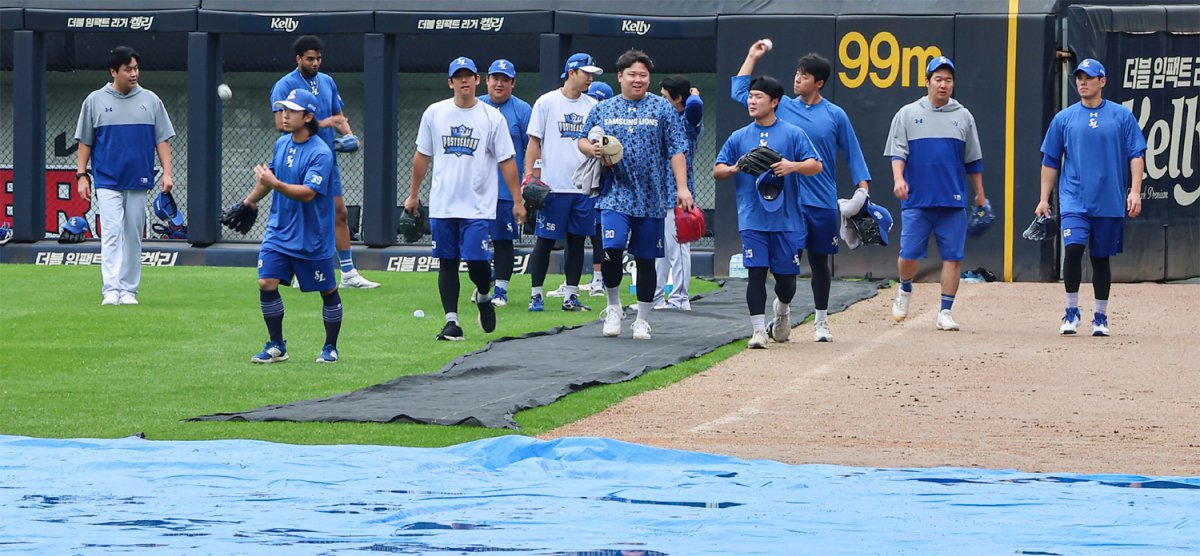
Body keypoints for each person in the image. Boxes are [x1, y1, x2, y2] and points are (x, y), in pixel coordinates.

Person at [734, 41, 873, 342]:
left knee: (821, 261)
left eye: (804, 75)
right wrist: (752, 56)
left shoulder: (835, 115)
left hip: (822, 200)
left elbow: (853, 152)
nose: (797, 78)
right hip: (790, 204)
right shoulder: (781, 105)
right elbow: (740, 91)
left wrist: (864, 187)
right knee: (788, 268)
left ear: (818, 82)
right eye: (797, 73)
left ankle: (821, 322)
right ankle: (782, 312)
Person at [578, 49, 693, 340]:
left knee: (645, 259)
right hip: (614, 194)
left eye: (643, 75)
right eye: (632, 74)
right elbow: (582, 137)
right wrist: (590, 149)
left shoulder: (662, 108)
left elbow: (678, 149)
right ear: (620, 77)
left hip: (652, 198)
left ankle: (642, 319)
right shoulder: (604, 108)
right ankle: (613, 306)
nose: (638, 80)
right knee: (612, 250)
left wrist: (682, 188)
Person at [406, 57, 524, 341]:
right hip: (444, 203)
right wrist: (413, 194)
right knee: (446, 262)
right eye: (458, 76)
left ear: (476, 80)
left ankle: (484, 296)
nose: (463, 80)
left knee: (477, 263)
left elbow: (507, 160)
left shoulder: (491, 117)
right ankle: (452, 322)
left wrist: (518, 200)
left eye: (468, 75)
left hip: (478, 205)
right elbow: (423, 155)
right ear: (450, 82)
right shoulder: (435, 113)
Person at [1036, 58, 1145, 336]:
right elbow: (1050, 160)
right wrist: (1044, 198)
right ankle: (1071, 311)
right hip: (1074, 199)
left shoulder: (1122, 116)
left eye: (1088, 77)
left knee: (1100, 258)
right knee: (1072, 249)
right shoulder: (1064, 118)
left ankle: (1100, 316)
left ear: (1102, 81)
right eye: (1079, 78)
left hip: (1108, 199)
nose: (1082, 82)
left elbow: (1136, 154)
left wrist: (1134, 191)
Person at [714, 76, 823, 348]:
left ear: (774, 102)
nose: (752, 101)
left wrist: (792, 166)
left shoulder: (793, 133)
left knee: (786, 281)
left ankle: (782, 312)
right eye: (750, 96)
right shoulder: (739, 136)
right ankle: (759, 331)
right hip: (752, 218)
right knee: (756, 273)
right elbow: (718, 170)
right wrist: (735, 168)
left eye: (759, 96)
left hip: (787, 220)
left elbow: (816, 165)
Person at [236, 89, 341, 363]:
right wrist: (248, 202)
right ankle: (276, 345)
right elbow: (269, 179)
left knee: (327, 289)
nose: (284, 114)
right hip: (279, 232)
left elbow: (307, 192)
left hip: (311, 237)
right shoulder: (282, 143)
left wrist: (275, 184)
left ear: (307, 116)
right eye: (283, 109)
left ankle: (330, 347)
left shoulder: (321, 153)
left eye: (291, 110)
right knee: (266, 282)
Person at [884, 56, 987, 331]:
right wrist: (898, 179)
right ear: (927, 82)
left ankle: (945, 311)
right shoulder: (906, 113)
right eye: (938, 79)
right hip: (917, 199)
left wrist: (980, 194)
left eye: (948, 80)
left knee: (953, 257)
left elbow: (973, 160)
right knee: (908, 256)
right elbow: (898, 152)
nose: (943, 85)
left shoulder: (963, 116)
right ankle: (905, 288)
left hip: (952, 200)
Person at [271, 35, 380, 289]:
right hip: (297, 158)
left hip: (325, 158)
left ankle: (349, 273)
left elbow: (338, 116)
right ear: (298, 59)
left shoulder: (327, 82)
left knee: (339, 213)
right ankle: (300, 270)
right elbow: (281, 125)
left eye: (318, 58)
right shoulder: (284, 85)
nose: (315, 63)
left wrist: (350, 136)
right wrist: (321, 124)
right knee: (304, 217)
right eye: (310, 59)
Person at [74, 46, 175, 306]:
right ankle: (111, 289)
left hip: (139, 178)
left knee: (133, 233)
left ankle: (129, 290)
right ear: (113, 72)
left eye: (136, 68)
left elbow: (162, 139)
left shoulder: (151, 100)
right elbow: (85, 141)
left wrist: (167, 173)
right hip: (106, 179)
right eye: (128, 69)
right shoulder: (94, 100)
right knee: (111, 231)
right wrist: (81, 175)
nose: (134, 73)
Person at [525, 53, 602, 312]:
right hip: (553, 186)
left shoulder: (593, 105)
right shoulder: (546, 102)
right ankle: (536, 294)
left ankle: (571, 295)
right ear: (572, 72)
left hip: (582, 186)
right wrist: (530, 177)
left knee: (578, 241)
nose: (590, 78)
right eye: (586, 73)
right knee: (544, 242)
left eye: (592, 74)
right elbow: (534, 142)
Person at [477, 59, 532, 308]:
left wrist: (527, 183)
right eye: (495, 78)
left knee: (502, 240)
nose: (499, 83)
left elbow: (531, 148)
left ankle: (501, 290)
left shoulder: (522, 110)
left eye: (504, 79)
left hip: (505, 188)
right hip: (477, 187)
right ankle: (482, 284)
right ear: (486, 80)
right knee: (474, 240)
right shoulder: (475, 106)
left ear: (513, 83)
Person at [653, 75, 704, 311]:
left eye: (665, 96)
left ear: (678, 98)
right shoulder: (663, 120)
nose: (661, 100)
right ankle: (654, 298)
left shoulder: (686, 122)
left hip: (679, 195)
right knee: (658, 250)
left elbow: (695, 109)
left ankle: (680, 298)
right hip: (657, 193)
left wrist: (693, 97)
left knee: (678, 248)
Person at [583, 81, 615, 297]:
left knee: (600, 234)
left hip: (607, 185)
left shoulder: (610, 120)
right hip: (587, 182)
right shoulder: (588, 120)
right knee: (582, 233)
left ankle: (599, 279)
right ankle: (580, 282)